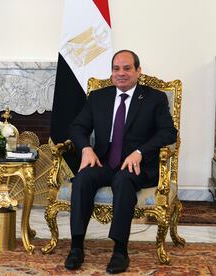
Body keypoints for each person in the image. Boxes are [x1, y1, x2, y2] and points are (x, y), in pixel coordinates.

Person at [64, 50, 177, 273]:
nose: (121, 73)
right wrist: (86, 148)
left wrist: (140, 152)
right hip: (105, 162)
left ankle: (120, 250)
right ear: (112, 72)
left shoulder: (154, 98)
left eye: (127, 68)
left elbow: (168, 133)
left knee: (123, 181)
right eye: (116, 69)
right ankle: (76, 247)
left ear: (138, 71)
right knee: (83, 179)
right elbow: (77, 127)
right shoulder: (99, 97)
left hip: (137, 166)